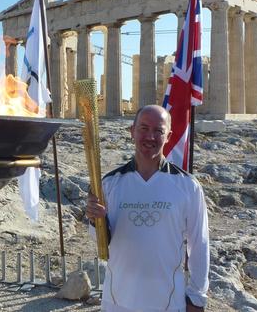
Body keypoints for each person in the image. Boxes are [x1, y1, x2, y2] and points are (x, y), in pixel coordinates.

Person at [86, 105, 209, 312]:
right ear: (132, 131)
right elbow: (102, 243)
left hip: (167, 303)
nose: (150, 137)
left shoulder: (187, 186)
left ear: (168, 136)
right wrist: (94, 220)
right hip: (118, 301)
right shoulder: (109, 183)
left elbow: (199, 244)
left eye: (158, 131)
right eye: (143, 128)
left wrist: (197, 297)